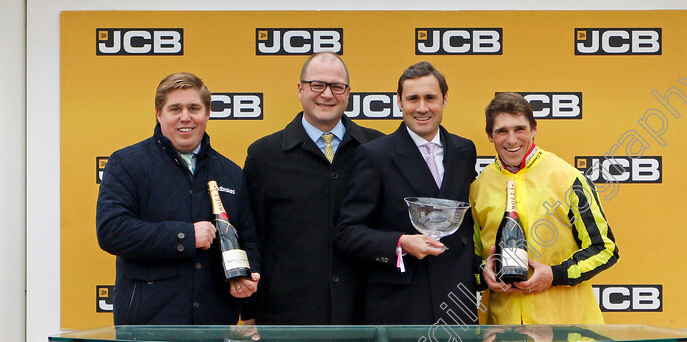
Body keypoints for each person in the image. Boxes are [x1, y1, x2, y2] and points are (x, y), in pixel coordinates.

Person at [97, 72, 260, 325]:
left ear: (207, 114)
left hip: (214, 326)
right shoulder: (127, 164)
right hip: (148, 327)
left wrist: (248, 275)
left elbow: (247, 237)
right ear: (159, 114)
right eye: (175, 109)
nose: (186, 117)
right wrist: (185, 236)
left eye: (194, 108)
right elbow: (112, 231)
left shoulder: (230, 173)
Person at [243, 52, 384, 324]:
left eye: (337, 86)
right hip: (286, 319)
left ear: (348, 92)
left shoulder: (377, 149)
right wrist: (249, 311)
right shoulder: (264, 156)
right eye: (316, 85)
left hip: (363, 315)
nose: (327, 95)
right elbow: (252, 236)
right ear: (300, 89)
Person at [335, 61, 479, 325]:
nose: (422, 108)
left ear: (445, 100)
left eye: (430, 98)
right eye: (413, 98)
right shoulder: (375, 155)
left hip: (458, 302)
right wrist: (401, 243)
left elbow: (468, 226)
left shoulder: (464, 151)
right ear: (399, 102)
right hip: (400, 306)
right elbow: (348, 232)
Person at [470, 92, 618, 325]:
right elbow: (472, 257)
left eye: (520, 129)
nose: (511, 140)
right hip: (504, 332)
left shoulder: (568, 177)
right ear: (489, 136)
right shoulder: (478, 188)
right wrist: (482, 274)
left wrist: (554, 275)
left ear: (534, 129)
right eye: (501, 131)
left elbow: (604, 249)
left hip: (568, 331)